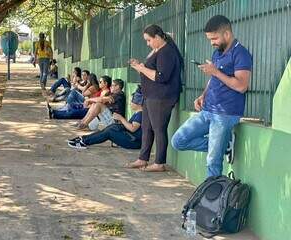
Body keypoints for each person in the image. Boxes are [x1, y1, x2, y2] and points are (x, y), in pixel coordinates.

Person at [171, 15, 252, 177]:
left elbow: (242, 86)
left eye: (214, 38)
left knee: (212, 161)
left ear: (227, 34)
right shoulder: (217, 53)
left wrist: (215, 71)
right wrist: (203, 95)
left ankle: (210, 199)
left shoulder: (241, 54)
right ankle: (225, 145)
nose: (212, 42)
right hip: (208, 110)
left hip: (225, 113)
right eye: (209, 39)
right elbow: (214, 78)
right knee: (178, 141)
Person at [128, 24, 184, 172]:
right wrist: (140, 66)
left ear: (158, 37)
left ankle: (160, 162)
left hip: (162, 97)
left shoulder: (167, 52)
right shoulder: (158, 50)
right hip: (151, 96)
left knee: (158, 128)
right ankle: (143, 158)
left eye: (149, 40)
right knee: (147, 128)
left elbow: (161, 77)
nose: (148, 44)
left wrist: (141, 68)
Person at [67, 88, 143, 150]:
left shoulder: (140, 114)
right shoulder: (138, 113)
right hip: (130, 138)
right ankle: (82, 139)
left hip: (133, 142)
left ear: (138, 103)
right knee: (111, 128)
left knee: (109, 132)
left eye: (132, 101)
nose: (130, 103)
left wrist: (121, 118)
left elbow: (133, 129)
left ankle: (83, 141)